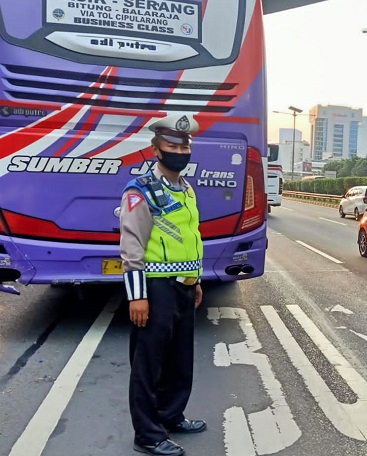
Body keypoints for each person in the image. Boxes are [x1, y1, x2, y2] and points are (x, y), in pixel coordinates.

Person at [120, 114, 206, 456]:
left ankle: (171, 415)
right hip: (155, 289)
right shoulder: (140, 191)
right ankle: (147, 433)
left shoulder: (185, 189)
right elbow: (131, 248)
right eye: (172, 145)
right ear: (155, 149)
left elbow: (190, 238)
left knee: (180, 359)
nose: (180, 151)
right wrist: (137, 297)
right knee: (149, 363)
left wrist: (195, 280)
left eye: (184, 146)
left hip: (184, 286)